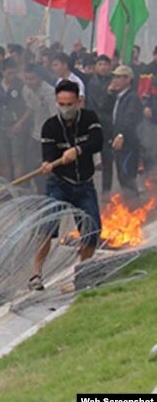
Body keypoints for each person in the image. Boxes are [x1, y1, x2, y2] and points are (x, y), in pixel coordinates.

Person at [30, 80, 104, 291]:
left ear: (78, 101)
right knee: (47, 227)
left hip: (84, 185)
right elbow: (49, 155)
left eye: (69, 103)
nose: (65, 108)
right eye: (61, 104)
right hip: (59, 184)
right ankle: (36, 274)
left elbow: (97, 141)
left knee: (92, 229)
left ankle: (83, 272)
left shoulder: (89, 119)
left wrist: (78, 150)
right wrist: (47, 164)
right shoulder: (50, 126)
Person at [100, 65, 142, 199]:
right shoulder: (118, 96)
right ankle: (129, 207)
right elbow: (104, 109)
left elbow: (130, 119)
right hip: (118, 144)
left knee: (127, 176)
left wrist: (121, 135)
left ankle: (134, 207)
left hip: (128, 145)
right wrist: (108, 93)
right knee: (121, 176)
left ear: (128, 79)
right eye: (114, 77)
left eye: (118, 77)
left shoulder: (132, 98)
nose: (115, 80)